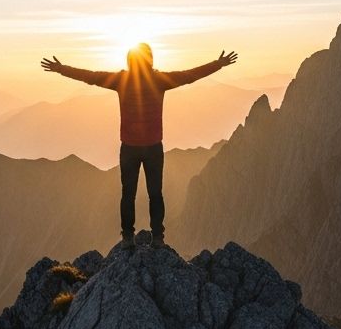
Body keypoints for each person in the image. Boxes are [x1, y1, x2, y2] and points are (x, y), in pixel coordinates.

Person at [41, 44, 237, 247]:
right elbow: (190, 75)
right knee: (155, 193)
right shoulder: (159, 81)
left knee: (128, 194)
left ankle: (127, 237)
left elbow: (90, 76)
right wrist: (218, 64)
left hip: (129, 148)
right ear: (150, 60)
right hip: (153, 147)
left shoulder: (121, 81)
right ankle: (158, 238)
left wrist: (61, 69)